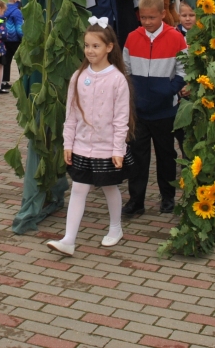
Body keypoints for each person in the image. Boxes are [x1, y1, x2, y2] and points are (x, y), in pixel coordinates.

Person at [46, 22, 133, 256]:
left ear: (109, 47)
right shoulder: (78, 76)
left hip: (107, 147)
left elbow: (121, 118)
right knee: (78, 189)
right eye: (87, 45)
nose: (90, 50)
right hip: (82, 146)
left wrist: (117, 149)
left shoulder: (117, 79)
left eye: (96, 45)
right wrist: (69, 143)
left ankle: (115, 228)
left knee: (109, 186)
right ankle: (68, 239)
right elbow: (71, 113)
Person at [121, 0, 186, 217]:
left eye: (152, 17)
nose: (147, 22)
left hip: (165, 111)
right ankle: (136, 201)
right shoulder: (132, 37)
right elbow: (126, 69)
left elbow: (183, 70)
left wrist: (169, 90)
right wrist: (132, 95)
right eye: (143, 17)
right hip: (139, 112)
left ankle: (168, 198)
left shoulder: (176, 37)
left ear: (163, 14)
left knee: (166, 157)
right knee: (138, 159)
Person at [1, 0, 24, 90]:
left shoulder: (3, 10)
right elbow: (19, 28)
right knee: (20, 61)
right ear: (15, 0)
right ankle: (23, 81)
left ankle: (4, 81)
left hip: (5, 39)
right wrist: (23, 38)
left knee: (6, 60)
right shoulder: (17, 12)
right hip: (15, 40)